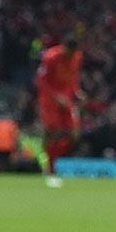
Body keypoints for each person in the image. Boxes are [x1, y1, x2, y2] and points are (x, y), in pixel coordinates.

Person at [36, 30, 85, 188]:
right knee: (53, 132)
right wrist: (56, 96)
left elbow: (73, 77)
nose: (71, 57)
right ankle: (49, 168)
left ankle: (52, 159)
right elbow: (41, 81)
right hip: (49, 99)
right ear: (64, 48)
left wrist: (77, 92)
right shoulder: (51, 57)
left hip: (67, 99)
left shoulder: (77, 57)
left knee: (74, 134)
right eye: (69, 53)